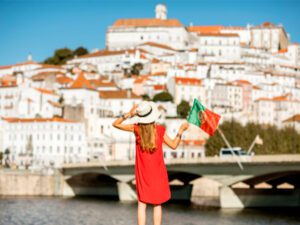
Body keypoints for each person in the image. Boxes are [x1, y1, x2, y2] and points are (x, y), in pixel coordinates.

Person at [112, 100, 189, 225]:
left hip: (143, 172)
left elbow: (115, 124)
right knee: (157, 203)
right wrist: (181, 130)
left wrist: (129, 114)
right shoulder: (159, 130)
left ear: (140, 117)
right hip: (158, 172)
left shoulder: (136, 129)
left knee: (142, 203)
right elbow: (174, 145)